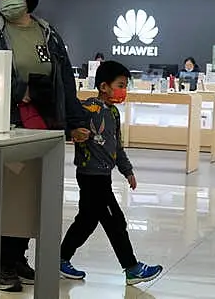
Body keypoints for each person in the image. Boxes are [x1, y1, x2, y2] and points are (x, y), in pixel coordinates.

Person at [0, 0, 90, 292]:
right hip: (9, 123)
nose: (8, 0)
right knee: (11, 193)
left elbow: (65, 82)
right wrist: (16, 88)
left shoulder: (48, 34)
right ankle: (3, 264)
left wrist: (76, 122)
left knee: (35, 194)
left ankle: (19, 256)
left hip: (45, 126)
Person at [60, 61, 163, 286]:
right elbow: (65, 124)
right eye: (120, 85)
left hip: (104, 175)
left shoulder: (114, 113)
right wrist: (73, 132)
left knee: (86, 221)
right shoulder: (87, 109)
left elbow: (117, 146)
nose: (123, 90)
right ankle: (132, 267)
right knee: (115, 221)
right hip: (90, 176)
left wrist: (128, 171)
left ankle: (60, 259)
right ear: (104, 86)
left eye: (125, 86)